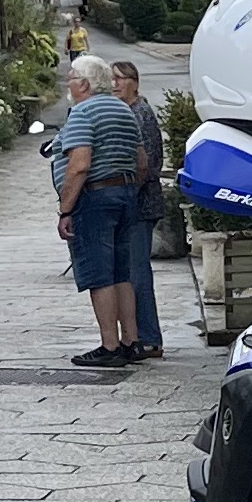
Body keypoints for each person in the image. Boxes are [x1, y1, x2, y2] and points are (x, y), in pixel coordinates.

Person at [55, 62, 146, 371]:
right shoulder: (125, 111)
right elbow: (141, 162)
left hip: (95, 197)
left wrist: (66, 208)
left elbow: (80, 164)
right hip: (126, 193)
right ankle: (131, 341)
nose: (68, 84)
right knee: (122, 271)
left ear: (85, 84)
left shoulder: (83, 112)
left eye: (71, 78)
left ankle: (110, 346)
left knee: (99, 273)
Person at [111, 56, 167, 360]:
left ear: (134, 83)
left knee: (137, 272)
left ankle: (148, 337)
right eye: (112, 79)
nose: (115, 84)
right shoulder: (126, 111)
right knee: (131, 270)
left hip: (140, 204)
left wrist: (126, 195)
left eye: (120, 79)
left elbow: (148, 164)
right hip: (134, 202)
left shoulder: (140, 114)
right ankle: (137, 335)